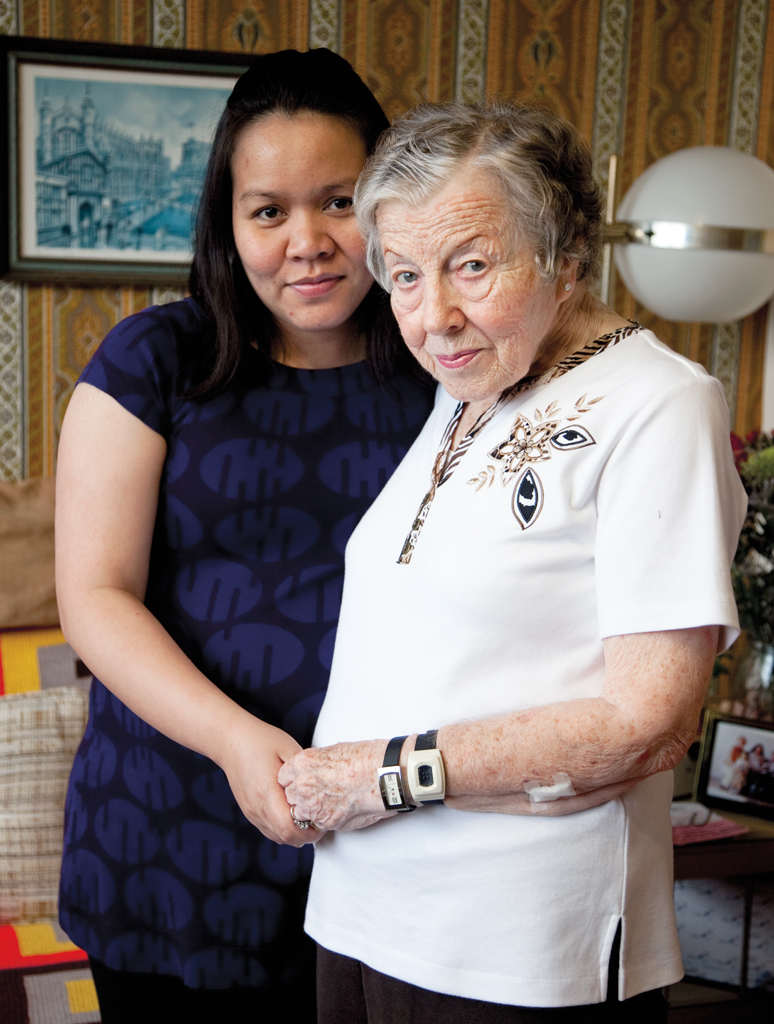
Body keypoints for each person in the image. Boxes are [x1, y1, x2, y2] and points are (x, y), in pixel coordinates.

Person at [279, 102, 748, 1022]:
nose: (433, 316)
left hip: (514, 947)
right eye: (405, 276)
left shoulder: (659, 404)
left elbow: (647, 720)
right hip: (362, 909)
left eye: (472, 265)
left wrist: (377, 776)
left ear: (567, 256)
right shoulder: (480, 376)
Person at [55, 49, 433, 1023]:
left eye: (338, 201)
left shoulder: (448, 374)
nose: (304, 240)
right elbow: (95, 594)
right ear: (228, 223)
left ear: (389, 202)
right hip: (171, 827)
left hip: (389, 833)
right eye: (268, 209)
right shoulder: (154, 361)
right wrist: (236, 742)